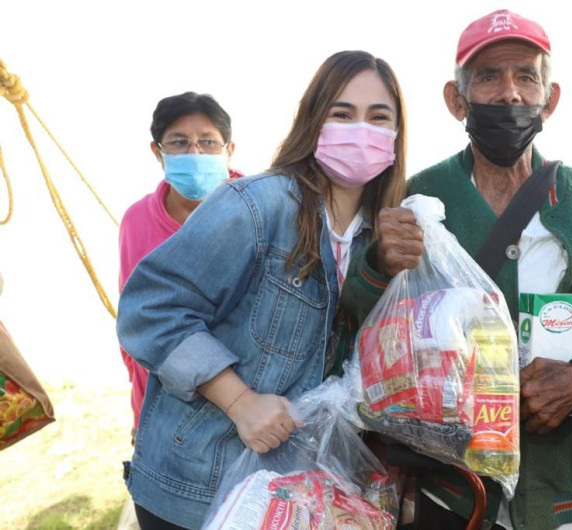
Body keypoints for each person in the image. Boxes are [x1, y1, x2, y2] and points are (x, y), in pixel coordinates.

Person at [341, 9, 572, 530]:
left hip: (559, 502)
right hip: (448, 495)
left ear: (551, 97)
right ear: (457, 100)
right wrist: (379, 267)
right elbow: (360, 337)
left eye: (527, 76)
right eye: (488, 77)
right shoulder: (420, 200)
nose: (510, 94)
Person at [116, 50, 407, 529]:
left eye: (379, 118)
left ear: (396, 135)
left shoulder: (376, 237)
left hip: (295, 493)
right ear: (314, 121)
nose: (361, 131)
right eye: (342, 113)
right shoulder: (257, 204)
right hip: (197, 488)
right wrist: (240, 401)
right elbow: (149, 309)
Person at [118, 91, 243, 443]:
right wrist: (142, 413)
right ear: (158, 152)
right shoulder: (138, 220)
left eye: (207, 142)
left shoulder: (258, 211)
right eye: (179, 142)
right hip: (163, 413)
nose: (195, 153)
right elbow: (135, 322)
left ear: (228, 150)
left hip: (243, 408)